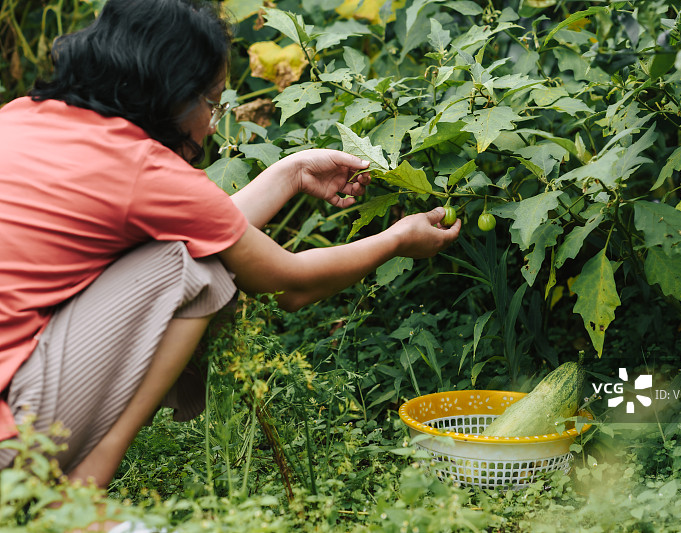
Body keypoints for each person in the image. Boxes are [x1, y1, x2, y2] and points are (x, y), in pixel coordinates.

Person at [0, 0, 460, 496]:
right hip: (13, 442)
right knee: (200, 273)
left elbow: (205, 223)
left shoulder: (20, 117)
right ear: (172, 93)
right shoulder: (145, 166)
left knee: (187, 251)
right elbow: (289, 282)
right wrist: (396, 239)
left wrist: (291, 172)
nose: (215, 124)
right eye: (212, 101)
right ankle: (81, 492)